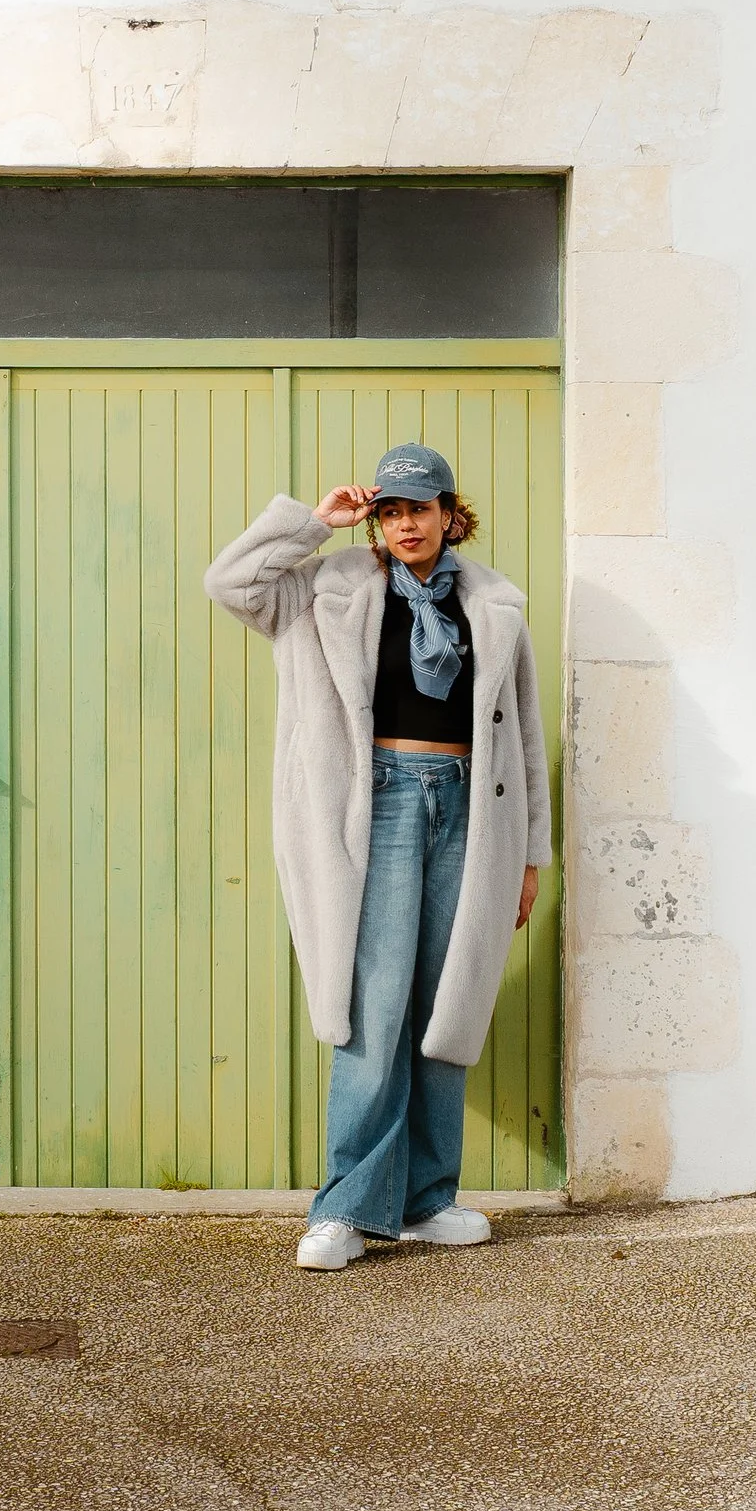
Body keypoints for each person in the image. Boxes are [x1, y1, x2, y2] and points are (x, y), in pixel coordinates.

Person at [203, 444, 554, 1271]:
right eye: (390, 511)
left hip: (469, 809)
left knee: (446, 1001)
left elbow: (525, 741)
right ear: (375, 519)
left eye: (420, 509)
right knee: (375, 1001)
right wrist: (310, 524)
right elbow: (229, 582)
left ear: (447, 514)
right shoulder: (322, 591)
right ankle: (346, 1207)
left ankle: (428, 1198)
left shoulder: (494, 607)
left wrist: (531, 855)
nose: (406, 524)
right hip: (381, 803)